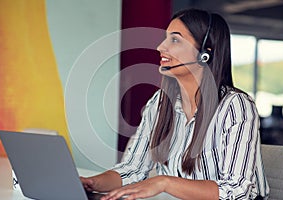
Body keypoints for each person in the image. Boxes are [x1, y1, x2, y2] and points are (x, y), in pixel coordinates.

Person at [81, 8, 270, 200]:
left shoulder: (236, 106)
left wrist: (164, 182)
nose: (161, 47)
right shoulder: (159, 103)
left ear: (205, 53)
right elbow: (132, 169)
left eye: (175, 40)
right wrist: (91, 183)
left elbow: (237, 190)